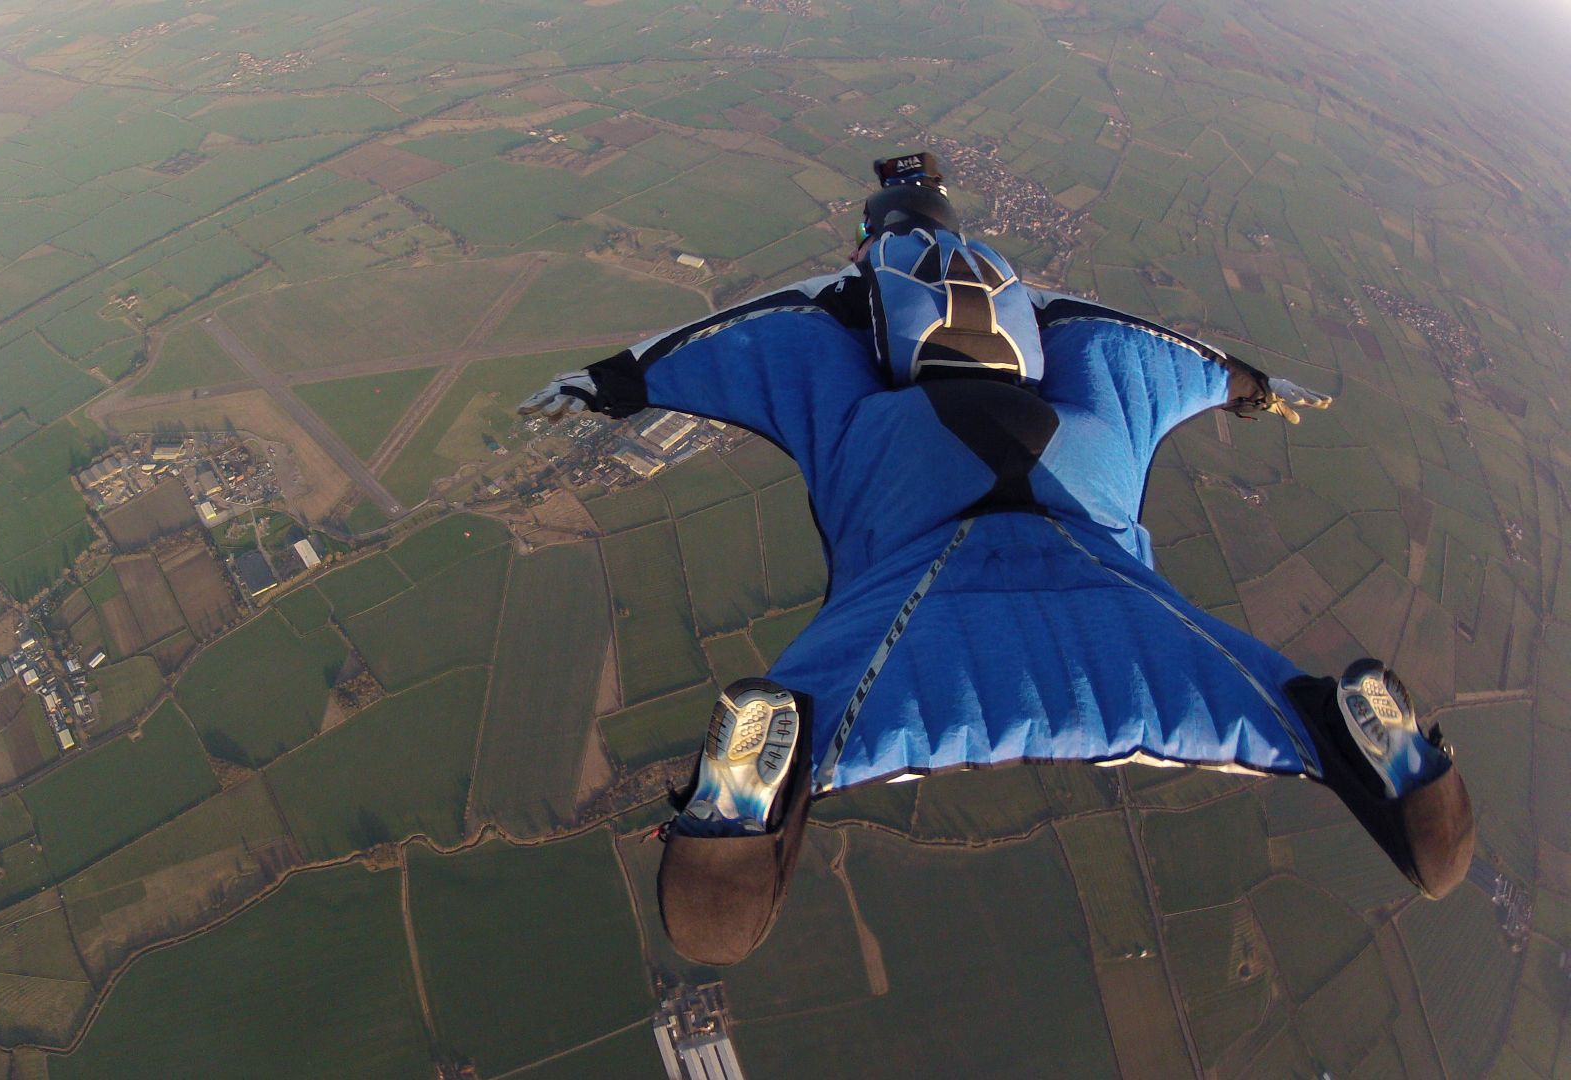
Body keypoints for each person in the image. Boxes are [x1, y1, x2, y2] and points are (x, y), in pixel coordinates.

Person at [519, 154, 1474, 966]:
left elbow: (755, 338)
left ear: (871, 237)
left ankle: (748, 820)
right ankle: (1354, 748)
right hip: (1074, 470)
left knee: (844, 664)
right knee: (1239, 683)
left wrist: (613, 381)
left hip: (917, 495)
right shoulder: (1033, 296)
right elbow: (1134, 346)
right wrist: (1248, 387)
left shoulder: (848, 292)